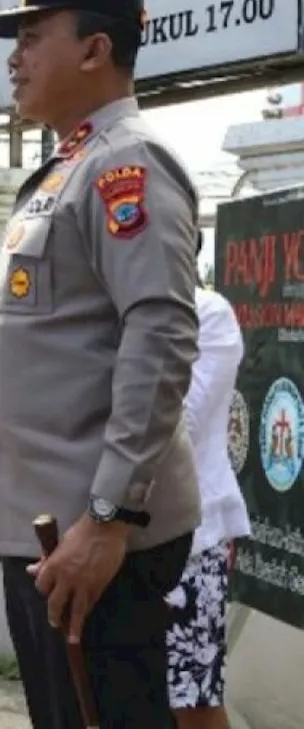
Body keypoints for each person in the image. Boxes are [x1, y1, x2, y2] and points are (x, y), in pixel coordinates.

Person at [0, 0, 202, 728]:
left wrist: (109, 517)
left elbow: (164, 332)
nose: (15, 57)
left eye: (32, 37)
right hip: (52, 531)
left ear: (95, 48)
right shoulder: (70, 165)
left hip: (97, 536)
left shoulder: (124, 164)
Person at [166, 236, 250, 729]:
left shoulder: (208, 313)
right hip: (112, 531)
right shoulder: (108, 315)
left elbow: (182, 425)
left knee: (191, 696)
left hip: (191, 538)